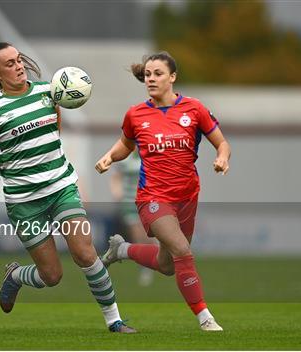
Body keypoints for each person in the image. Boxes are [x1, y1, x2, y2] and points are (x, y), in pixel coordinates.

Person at [0, 42, 135, 333]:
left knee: (84, 252)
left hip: (61, 190)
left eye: (19, 60)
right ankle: (17, 276)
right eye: (9, 63)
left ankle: (114, 320)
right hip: (24, 203)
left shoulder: (50, 92)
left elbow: (54, 136)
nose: (18, 66)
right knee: (52, 275)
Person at [96, 51, 231, 332]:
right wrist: (110, 156)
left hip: (188, 196)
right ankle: (205, 318)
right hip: (152, 197)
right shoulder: (136, 114)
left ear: (172, 77)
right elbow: (125, 145)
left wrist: (222, 158)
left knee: (167, 264)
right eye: (147, 74)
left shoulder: (194, 109)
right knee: (183, 251)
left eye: (157, 74)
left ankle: (122, 250)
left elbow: (222, 143)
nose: (151, 79)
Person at [110, 149, 157, 286]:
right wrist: (117, 193)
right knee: (137, 238)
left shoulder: (150, 154)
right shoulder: (124, 156)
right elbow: (116, 177)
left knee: (149, 237)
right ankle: (145, 269)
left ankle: (158, 261)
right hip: (130, 201)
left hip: (148, 202)